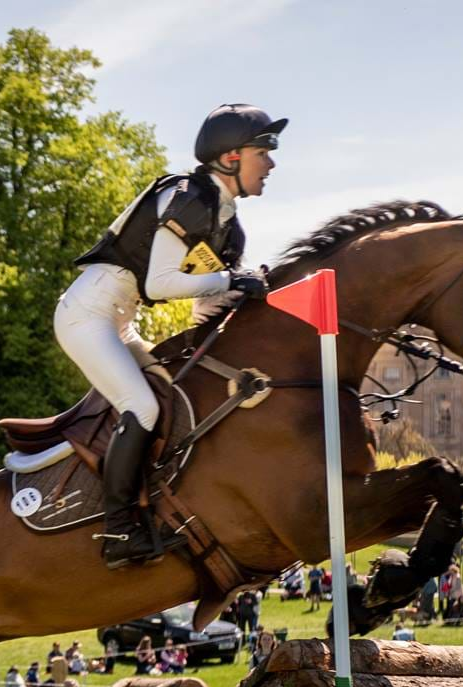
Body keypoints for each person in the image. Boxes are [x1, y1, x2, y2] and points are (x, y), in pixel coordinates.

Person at [60, 104, 282, 567]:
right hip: (88, 312)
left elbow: (204, 307)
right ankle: (119, 530)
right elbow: (160, 283)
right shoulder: (186, 196)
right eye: (265, 150)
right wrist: (231, 282)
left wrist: (256, 298)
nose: (272, 162)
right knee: (140, 406)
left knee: (175, 398)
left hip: (120, 319)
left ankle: (156, 501)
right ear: (231, 158)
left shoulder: (229, 229)